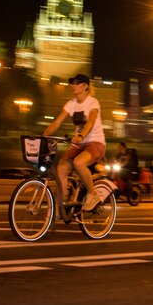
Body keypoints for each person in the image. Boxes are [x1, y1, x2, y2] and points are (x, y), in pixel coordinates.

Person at [44, 73, 106, 213]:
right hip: (79, 143)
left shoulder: (92, 102)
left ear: (85, 86)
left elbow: (91, 122)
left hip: (95, 142)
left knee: (79, 162)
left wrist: (81, 136)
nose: (73, 85)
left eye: (77, 83)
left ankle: (93, 194)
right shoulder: (71, 104)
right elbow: (57, 122)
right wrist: (43, 136)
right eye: (72, 82)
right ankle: (61, 204)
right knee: (61, 167)